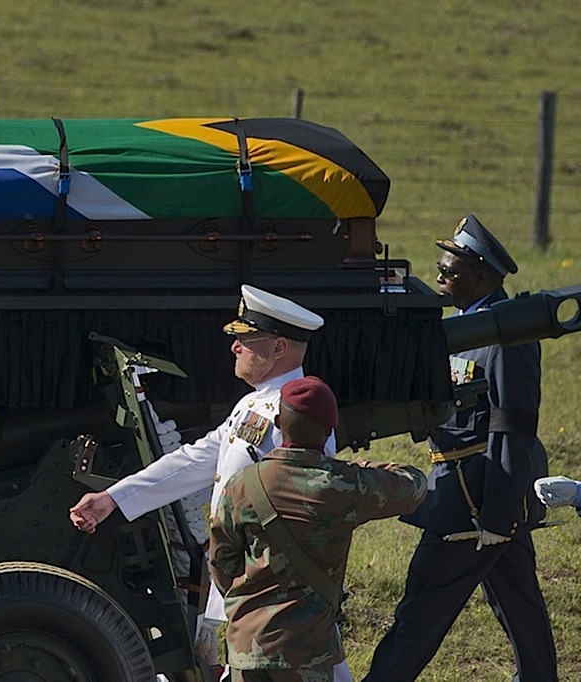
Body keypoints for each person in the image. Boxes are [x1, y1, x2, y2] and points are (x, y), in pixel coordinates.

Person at [69, 284, 355, 681]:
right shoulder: (252, 404)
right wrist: (114, 498)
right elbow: (194, 461)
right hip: (252, 583)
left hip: (276, 590)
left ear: (278, 348)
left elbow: (311, 503)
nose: (235, 346)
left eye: (246, 339)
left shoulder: (296, 412)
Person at [365, 215, 558, 681]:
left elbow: (513, 426)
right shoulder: (467, 325)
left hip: (474, 500)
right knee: (520, 607)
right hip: (479, 495)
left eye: (448, 272)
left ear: (482, 276)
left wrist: (497, 516)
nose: (439, 278)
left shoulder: (506, 334)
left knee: (420, 613)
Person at [210, 376, 426, 681]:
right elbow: (415, 484)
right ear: (329, 432)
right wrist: (361, 469)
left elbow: (221, 563)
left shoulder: (243, 484)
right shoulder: (345, 486)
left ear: (278, 423)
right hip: (307, 650)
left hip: (249, 647)